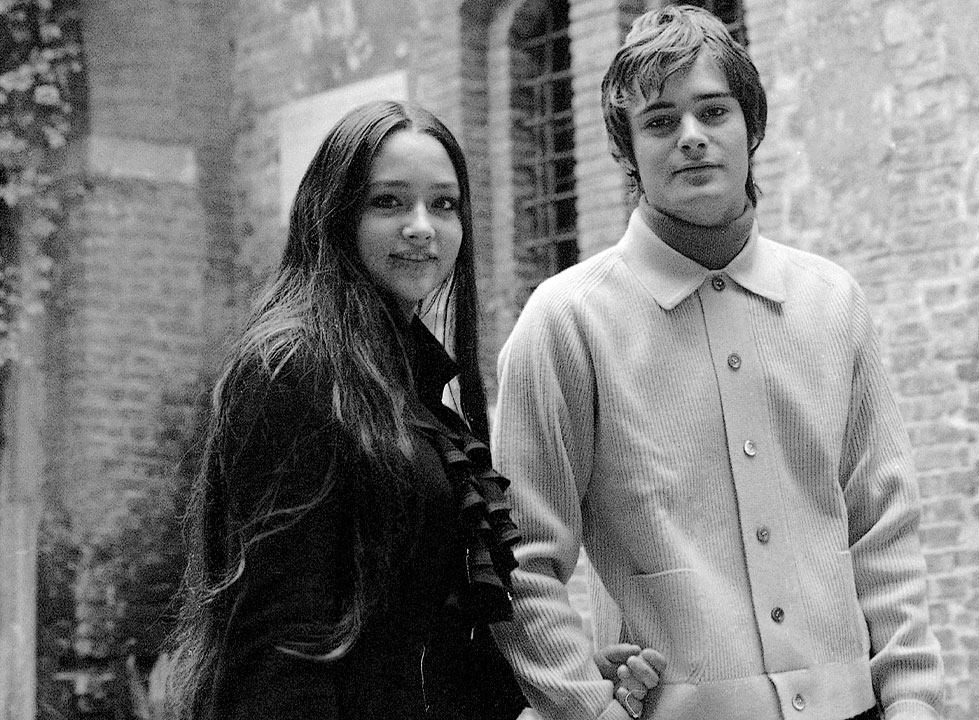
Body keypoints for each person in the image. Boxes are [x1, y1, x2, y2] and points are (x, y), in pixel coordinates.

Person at [490, 7, 944, 720]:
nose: (693, 137)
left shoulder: (832, 303)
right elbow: (522, 560)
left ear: (750, 126)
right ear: (629, 149)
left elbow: (882, 525)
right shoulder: (566, 321)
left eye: (713, 111)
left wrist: (913, 700)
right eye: (661, 121)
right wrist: (590, 709)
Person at [162, 100, 656, 720]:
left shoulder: (410, 385)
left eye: (443, 204)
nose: (421, 227)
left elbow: (423, 632)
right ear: (336, 214)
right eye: (389, 202)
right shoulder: (293, 371)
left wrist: (578, 682)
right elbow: (278, 649)